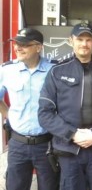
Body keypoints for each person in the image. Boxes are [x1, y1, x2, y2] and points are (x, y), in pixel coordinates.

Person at [38, 23, 92, 190]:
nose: (84, 44)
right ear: (71, 41)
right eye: (80, 39)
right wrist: (72, 134)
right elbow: (45, 113)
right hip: (69, 150)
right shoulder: (57, 72)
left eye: (88, 39)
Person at [0, 28, 59, 190]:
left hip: (47, 144)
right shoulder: (7, 70)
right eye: (16, 43)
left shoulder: (54, 70)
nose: (18, 48)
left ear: (38, 47)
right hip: (18, 144)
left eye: (24, 44)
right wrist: (9, 115)